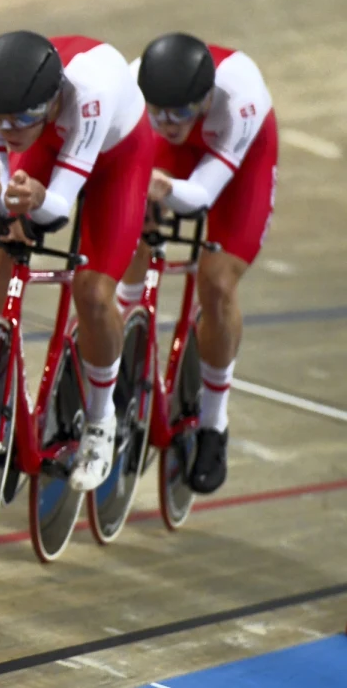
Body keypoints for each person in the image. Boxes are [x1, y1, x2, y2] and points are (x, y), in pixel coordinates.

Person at [0, 32, 153, 492]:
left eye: (21, 120)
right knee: (3, 245)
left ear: (52, 102)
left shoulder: (89, 97)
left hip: (119, 157)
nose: (9, 131)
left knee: (92, 292)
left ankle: (100, 419)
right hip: (51, 139)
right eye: (0, 122)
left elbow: (57, 208)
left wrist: (33, 199)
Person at [117, 33, 277, 495]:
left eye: (180, 113)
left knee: (217, 280)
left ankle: (213, 424)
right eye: (158, 113)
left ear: (205, 98)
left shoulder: (240, 99)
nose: (168, 124)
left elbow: (203, 195)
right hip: (174, 159)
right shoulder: (135, 89)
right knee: (129, 235)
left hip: (237, 160)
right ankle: (129, 339)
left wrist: (161, 189)